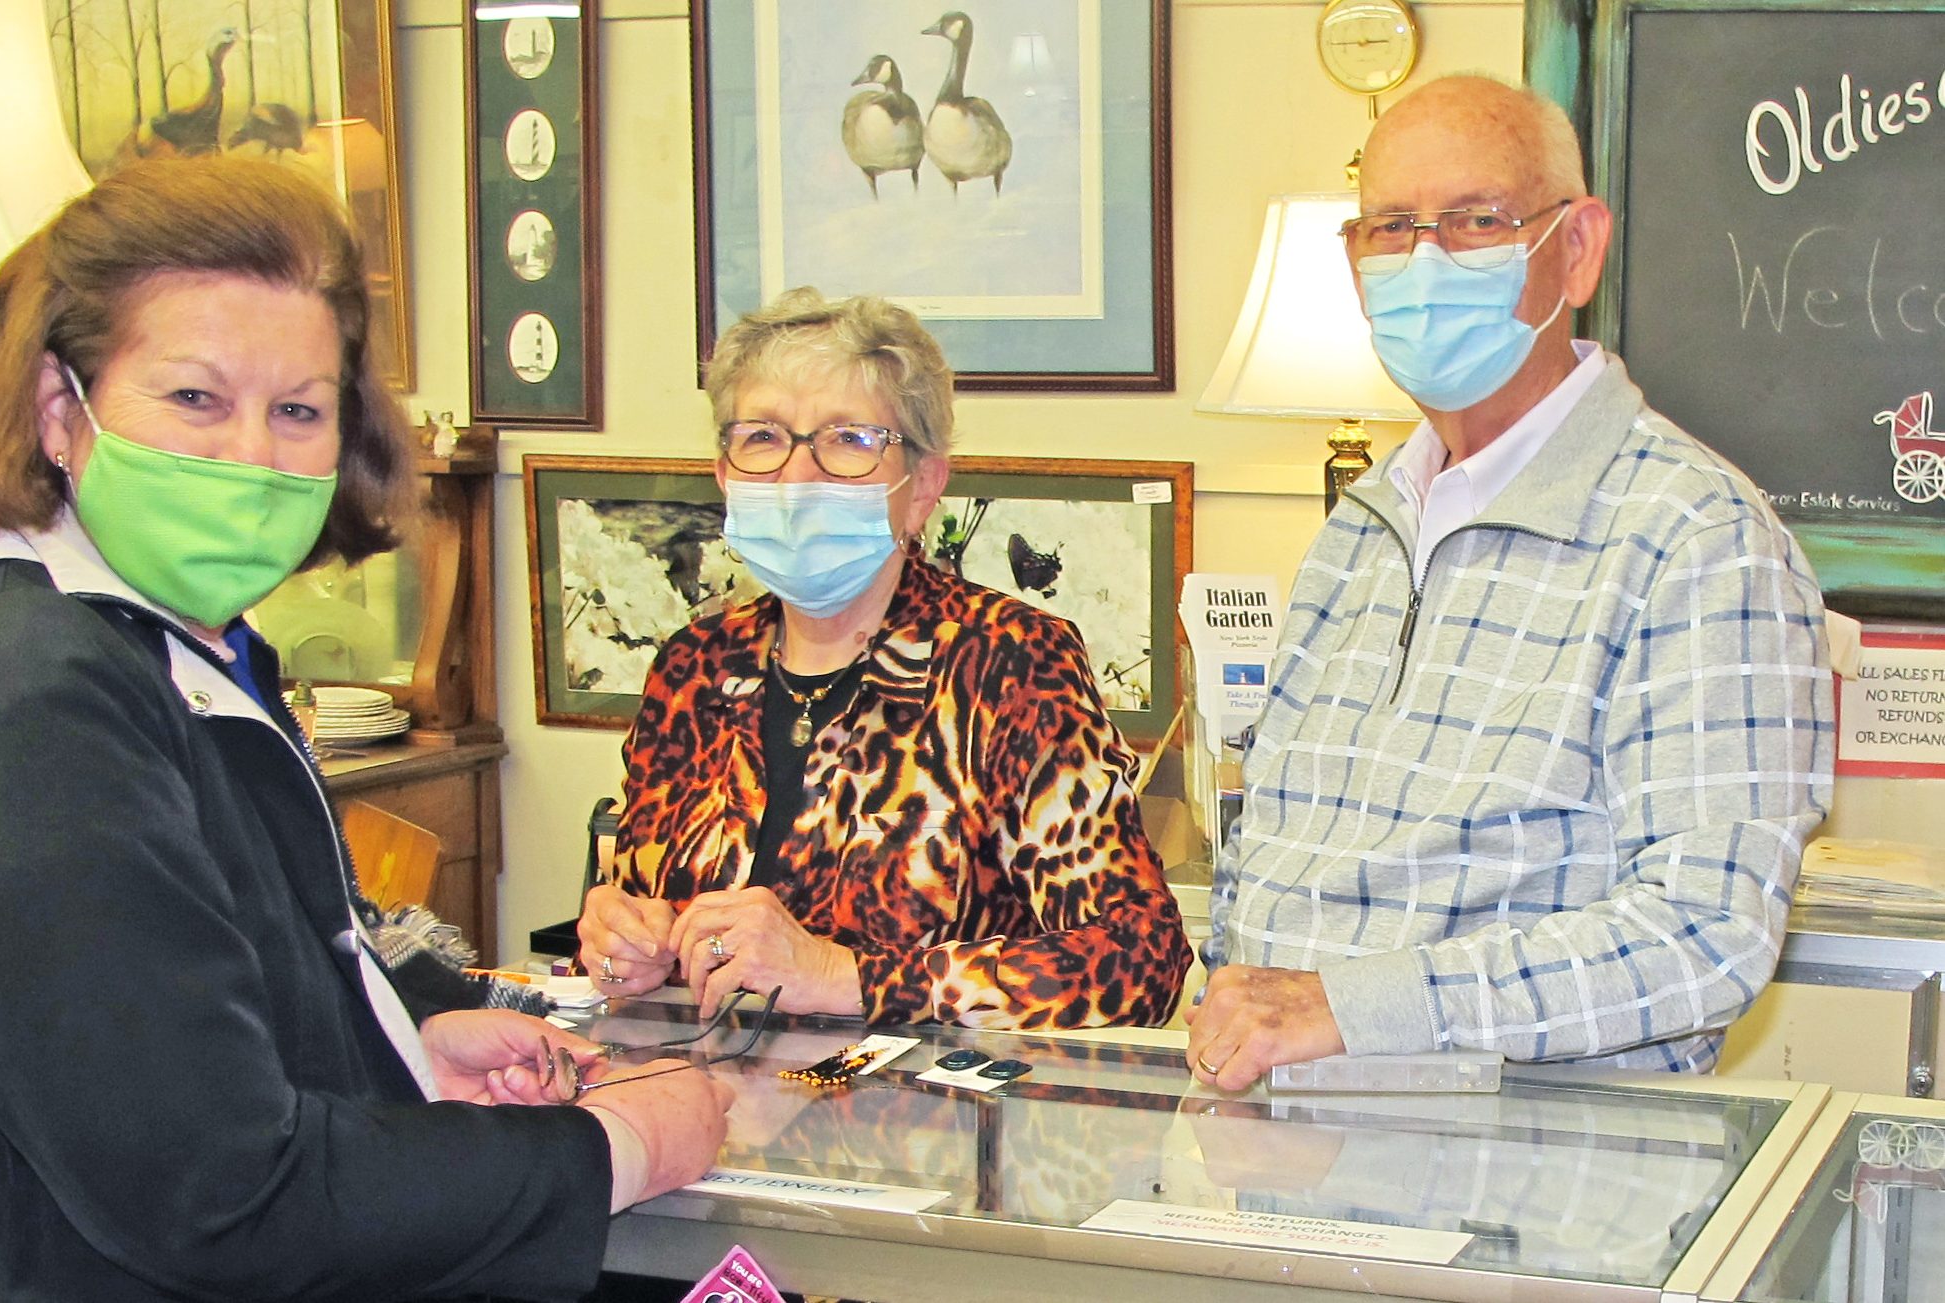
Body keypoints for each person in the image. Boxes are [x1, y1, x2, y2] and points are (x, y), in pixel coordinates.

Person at [0, 156, 729, 1302]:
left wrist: (397, 1042)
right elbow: (215, 1190)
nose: (253, 457)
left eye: (298, 411)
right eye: (196, 400)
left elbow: (194, 1000)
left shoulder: (168, 646)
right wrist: (620, 1146)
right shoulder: (8, 686)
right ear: (59, 408)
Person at [1186, 75, 1834, 1090]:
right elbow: (1262, 853)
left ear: (1577, 249)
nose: (1425, 261)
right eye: (1391, 228)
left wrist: (1357, 1008)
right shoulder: (1359, 531)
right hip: (1291, 1151)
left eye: (1476, 221)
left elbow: (1704, 936)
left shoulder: (1699, 542)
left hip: (1533, 1169)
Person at [575, 288, 1190, 1029]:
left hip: (919, 1098)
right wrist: (628, 944)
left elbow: (1141, 960)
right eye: (763, 437)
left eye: (848, 439)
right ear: (724, 473)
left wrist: (844, 976)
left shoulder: (1005, 663)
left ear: (923, 486)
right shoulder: (694, 668)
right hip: (705, 1086)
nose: (796, 478)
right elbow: (650, 915)